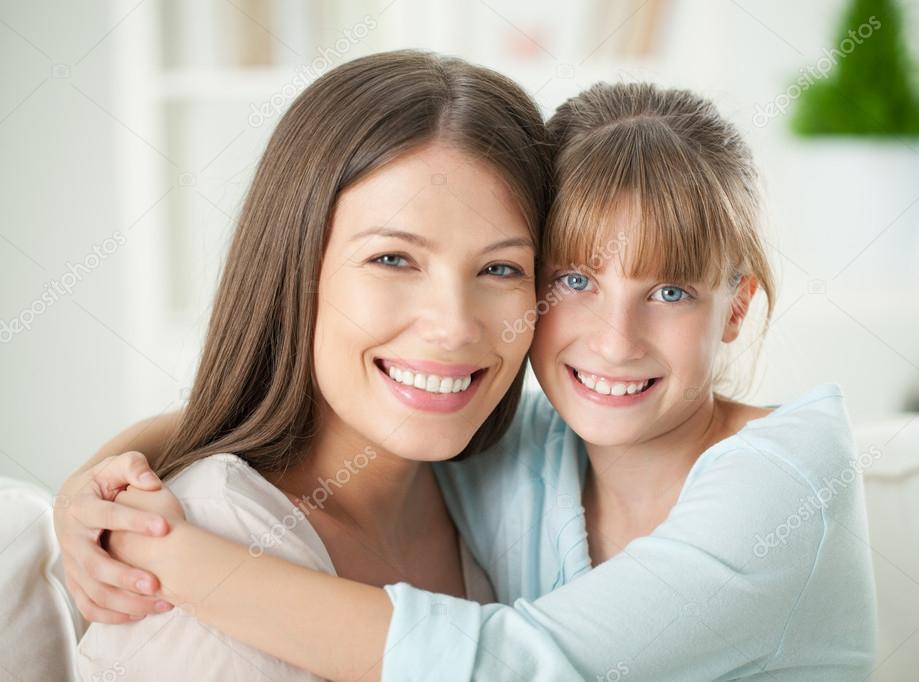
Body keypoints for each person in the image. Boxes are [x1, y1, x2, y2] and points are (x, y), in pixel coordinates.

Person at [59, 79, 877, 681]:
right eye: (574, 283)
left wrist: (164, 554)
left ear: (735, 309)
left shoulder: (783, 482)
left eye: (668, 293)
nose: (614, 341)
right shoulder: (524, 445)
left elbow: (516, 665)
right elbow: (305, 399)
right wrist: (104, 479)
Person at [63, 49, 551, 681]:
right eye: (394, 259)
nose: (454, 326)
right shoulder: (196, 552)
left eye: (500, 268)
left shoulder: (507, 483)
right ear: (296, 271)